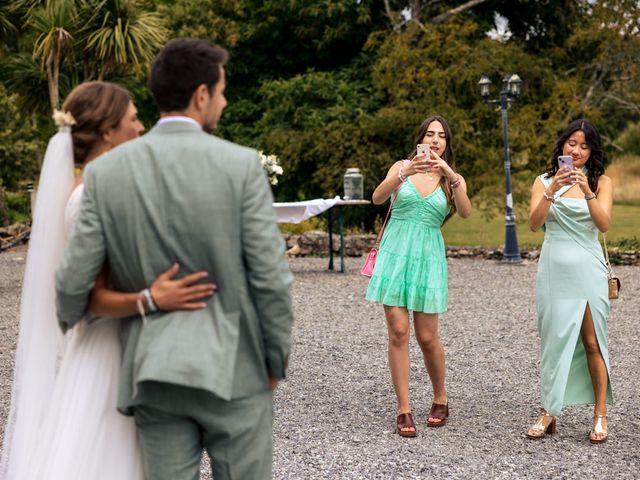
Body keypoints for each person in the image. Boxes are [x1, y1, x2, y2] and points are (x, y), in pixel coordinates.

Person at [55, 38, 294, 480]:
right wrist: (275, 359)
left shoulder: (105, 175)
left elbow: (72, 284)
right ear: (201, 95)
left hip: (154, 372)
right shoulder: (240, 166)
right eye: (220, 91)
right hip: (236, 368)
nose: (222, 101)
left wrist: (71, 325)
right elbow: (271, 277)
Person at [0, 81, 215, 480]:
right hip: (109, 355)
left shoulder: (106, 186)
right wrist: (152, 298)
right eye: (133, 118)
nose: (140, 127)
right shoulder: (88, 196)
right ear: (107, 132)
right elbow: (87, 298)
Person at [365, 115, 472, 437]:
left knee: (427, 337)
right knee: (398, 331)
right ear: (420, 139)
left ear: (446, 143)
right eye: (430, 134)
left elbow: (466, 211)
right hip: (396, 255)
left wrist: (451, 175)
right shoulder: (402, 167)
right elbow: (377, 198)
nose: (435, 140)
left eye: (441, 136)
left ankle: (440, 397)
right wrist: (403, 172)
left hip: (428, 259)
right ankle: (404, 408)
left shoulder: (450, 179)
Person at [526, 119, 613, 443]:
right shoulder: (543, 181)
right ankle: (548, 411)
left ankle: (600, 413)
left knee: (593, 342)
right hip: (553, 271)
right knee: (553, 342)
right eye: (572, 143)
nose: (576, 150)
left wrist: (588, 191)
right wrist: (551, 191)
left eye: (584, 145)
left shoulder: (601, 182)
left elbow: (603, 225)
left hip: (588, 270)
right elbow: (534, 224)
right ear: (562, 145)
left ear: (592, 151)